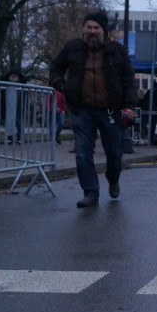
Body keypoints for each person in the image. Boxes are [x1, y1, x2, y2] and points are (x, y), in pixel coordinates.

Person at [49, 11, 136, 208]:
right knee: (82, 153)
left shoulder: (117, 50)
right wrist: (62, 86)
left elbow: (129, 80)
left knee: (114, 153)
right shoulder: (73, 47)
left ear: (103, 30)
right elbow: (55, 68)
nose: (92, 31)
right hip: (82, 110)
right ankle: (90, 192)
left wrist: (130, 107)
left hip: (111, 111)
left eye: (96, 27)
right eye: (88, 27)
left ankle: (113, 179)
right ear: (84, 29)